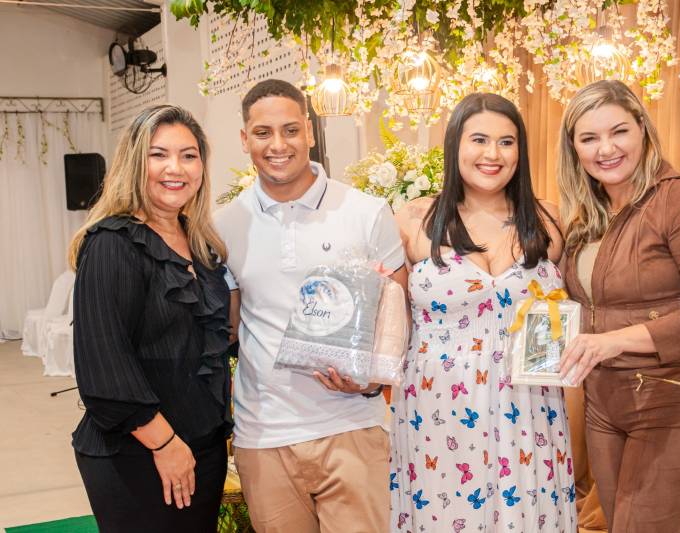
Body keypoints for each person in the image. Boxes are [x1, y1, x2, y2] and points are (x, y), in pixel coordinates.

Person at [214, 79, 408, 533]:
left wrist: (368, 383)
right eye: (262, 133)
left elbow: (399, 319)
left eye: (290, 130)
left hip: (352, 427)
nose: (278, 145)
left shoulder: (365, 211)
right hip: (265, 436)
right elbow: (230, 327)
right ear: (244, 139)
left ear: (309, 132)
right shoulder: (224, 225)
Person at [555, 80, 680, 533]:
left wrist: (612, 341)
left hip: (677, 397)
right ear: (574, 149)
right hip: (605, 403)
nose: (606, 149)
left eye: (618, 131)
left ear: (642, 128)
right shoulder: (588, 217)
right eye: (589, 138)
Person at [390, 92, 577, 532]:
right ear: (454, 144)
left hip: (530, 405)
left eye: (506, 142)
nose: (493, 154)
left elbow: (571, 308)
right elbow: (392, 323)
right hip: (438, 407)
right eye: (479, 140)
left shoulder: (550, 220)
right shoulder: (414, 219)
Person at [67, 105, 232, 532]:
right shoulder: (113, 243)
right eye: (159, 155)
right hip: (138, 452)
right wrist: (165, 444)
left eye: (188, 155)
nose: (175, 168)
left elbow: (211, 340)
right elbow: (104, 367)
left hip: (201, 446)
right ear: (135, 162)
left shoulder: (199, 243)